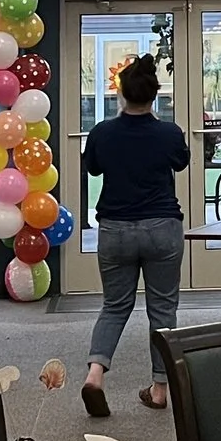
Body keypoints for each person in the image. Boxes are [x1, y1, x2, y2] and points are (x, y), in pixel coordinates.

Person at [80, 54, 188, 418]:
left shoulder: (102, 132)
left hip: (115, 230)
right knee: (162, 310)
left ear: (120, 94)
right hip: (162, 228)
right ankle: (159, 388)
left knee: (114, 306)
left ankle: (95, 374)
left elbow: (93, 168)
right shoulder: (168, 133)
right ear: (154, 96)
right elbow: (181, 161)